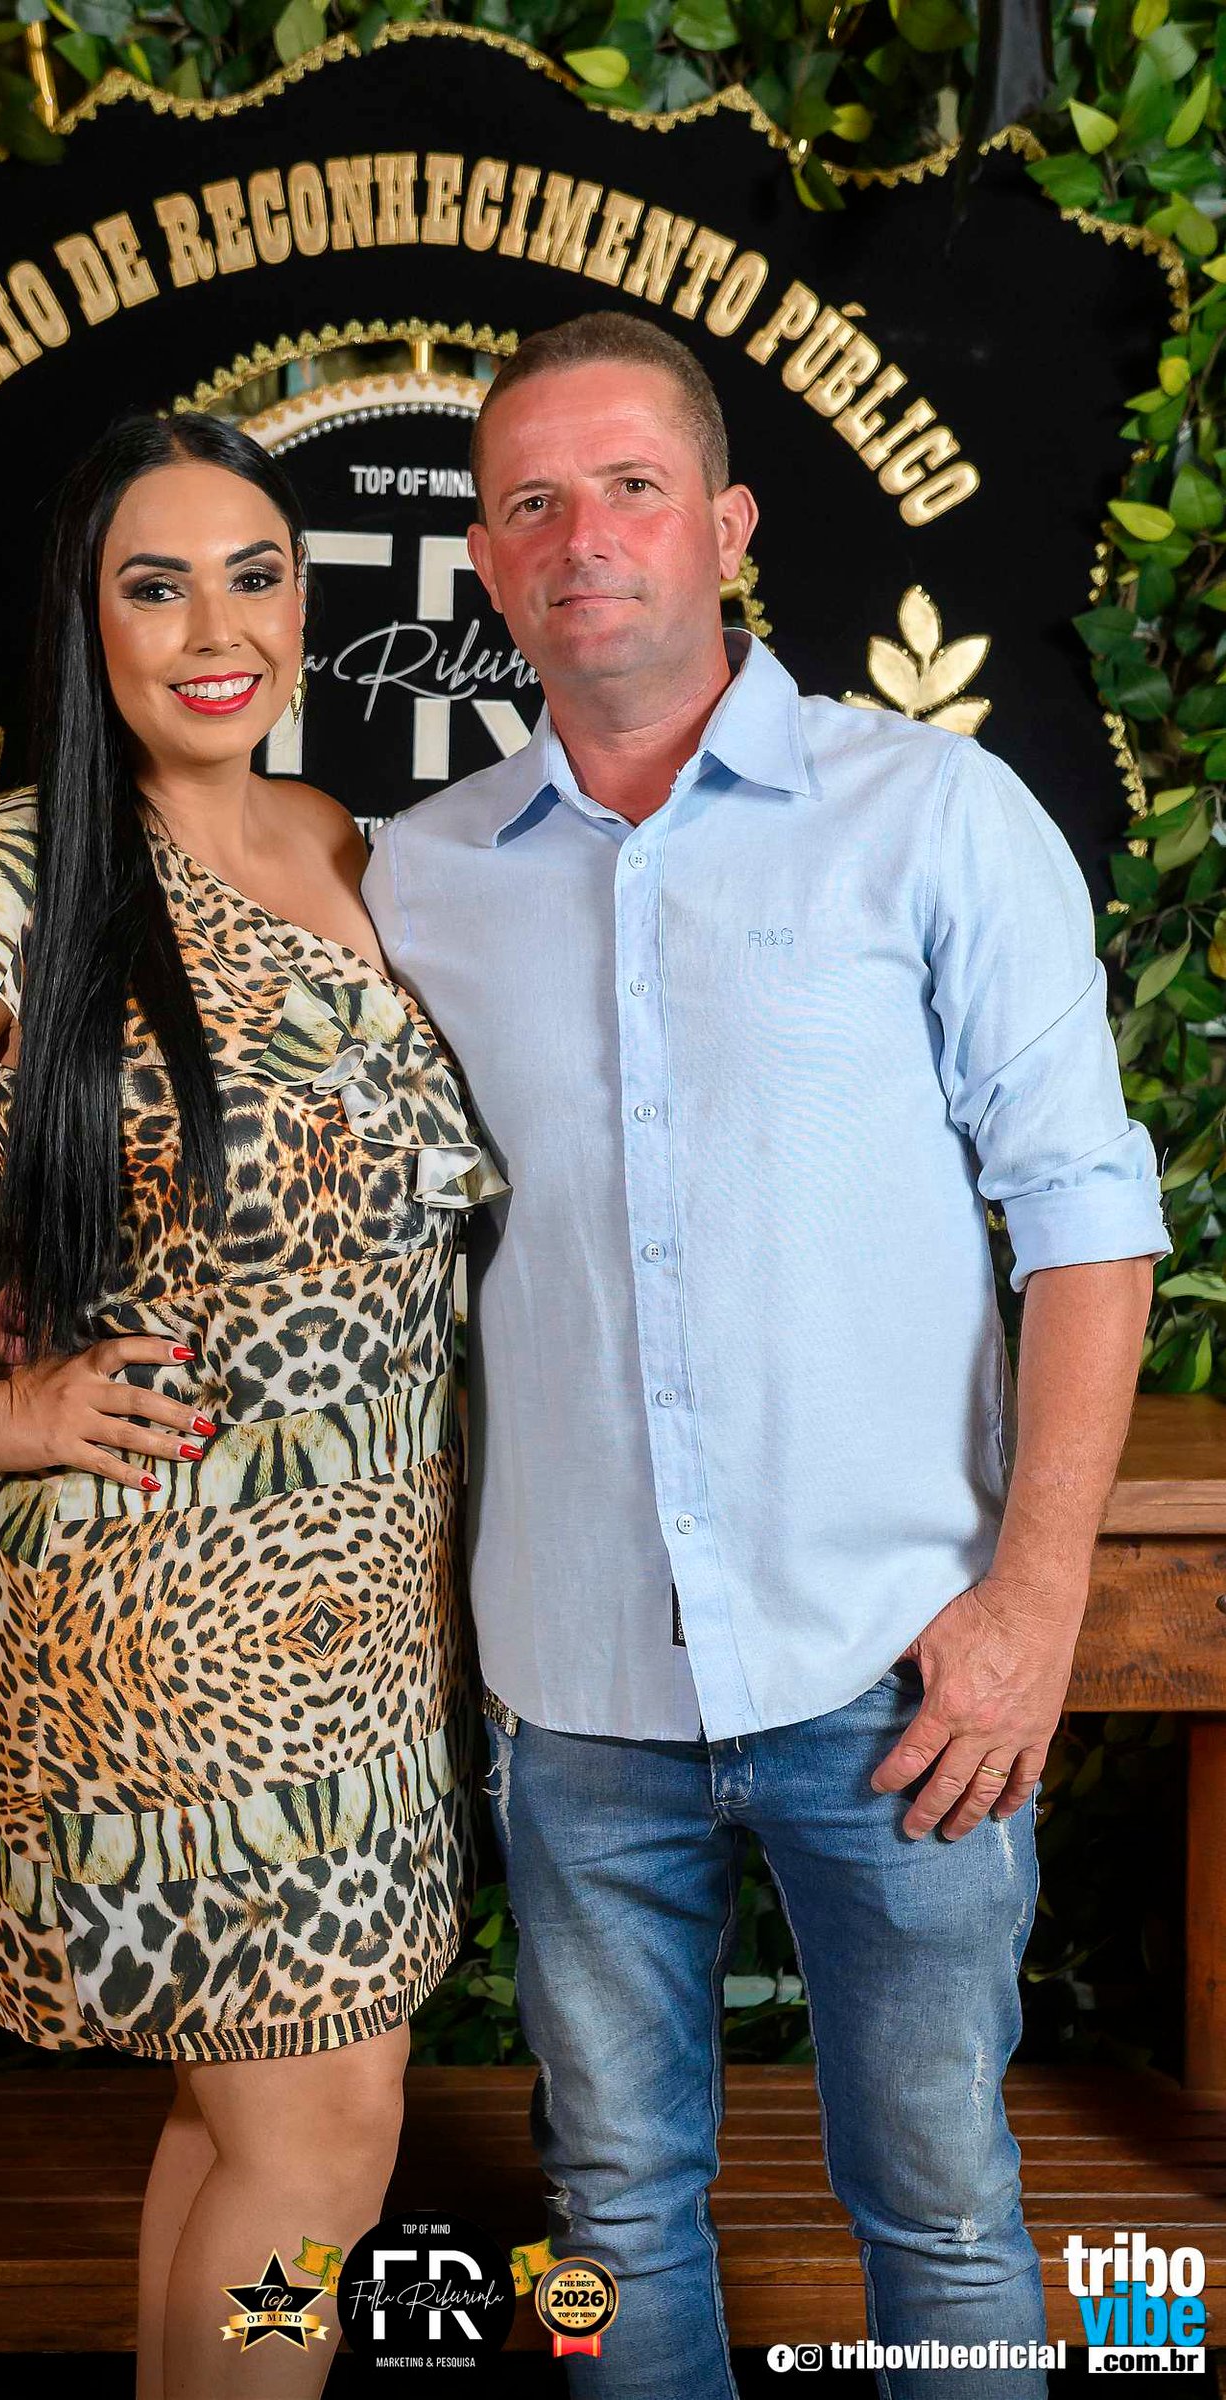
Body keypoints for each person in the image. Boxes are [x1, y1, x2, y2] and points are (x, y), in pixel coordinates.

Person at [358, 310, 1171, 2400]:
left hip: (900, 1668)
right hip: (574, 1690)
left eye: (630, 487)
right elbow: (289, 1157)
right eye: (530, 501)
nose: (581, 536)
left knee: (944, 2206)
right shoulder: (417, 880)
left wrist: (1031, 1610)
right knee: (614, 2213)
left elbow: (1085, 1219)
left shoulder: (932, 815)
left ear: (723, 528)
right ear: (486, 558)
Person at [0, 405, 505, 2400]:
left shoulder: (340, 840)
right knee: (320, 2138)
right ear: (86, 622)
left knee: (246, 2120)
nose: (215, 628)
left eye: (254, 575)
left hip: (367, 1597)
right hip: (174, 1601)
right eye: (156, 585)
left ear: (303, 602)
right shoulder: (22, 878)